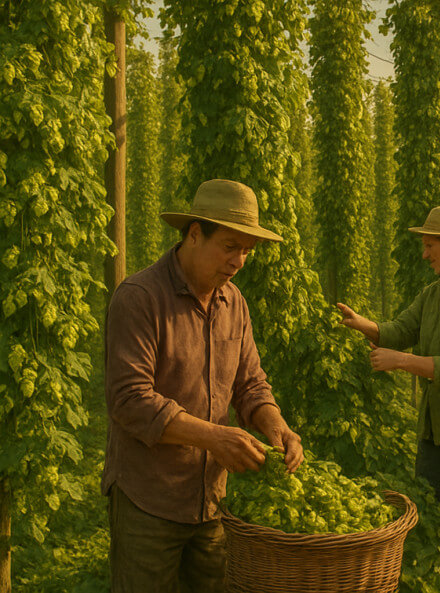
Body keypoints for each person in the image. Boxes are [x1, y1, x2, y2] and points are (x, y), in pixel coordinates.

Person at [102, 179, 305, 592]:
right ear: (194, 234)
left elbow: (251, 385)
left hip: (210, 502)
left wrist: (276, 426)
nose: (239, 261)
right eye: (230, 246)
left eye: (247, 250)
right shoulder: (140, 297)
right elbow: (129, 399)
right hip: (149, 501)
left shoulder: (234, 303)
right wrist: (214, 437)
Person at [336, 205, 440, 578]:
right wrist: (361, 324)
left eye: (431, 246)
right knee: (429, 512)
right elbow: (400, 330)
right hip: (435, 424)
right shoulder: (433, 293)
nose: (425, 253)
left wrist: (401, 361)